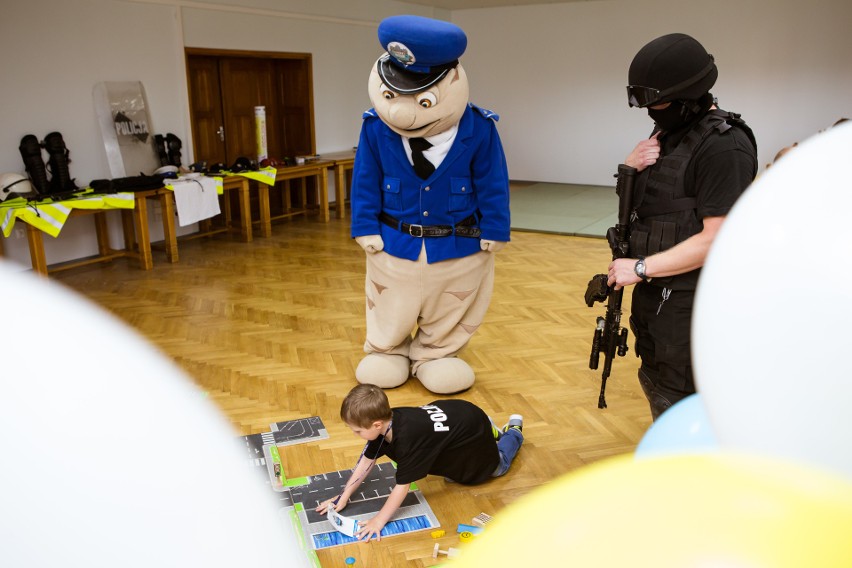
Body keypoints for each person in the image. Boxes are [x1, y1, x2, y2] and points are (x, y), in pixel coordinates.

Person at [350, 15, 511, 394]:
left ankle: (436, 354)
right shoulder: (375, 128)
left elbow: (493, 182)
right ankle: (387, 350)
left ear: (453, 81)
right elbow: (364, 180)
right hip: (394, 242)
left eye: (421, 99)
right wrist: (364, 225)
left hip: (457, 244)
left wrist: (495, 227)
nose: (402, 113)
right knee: (390, 303)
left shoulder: (480, 128)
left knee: (451, 305)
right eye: (392, 96)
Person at [607, 33, 757, 420]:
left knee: (684, 394)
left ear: (688, 97)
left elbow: (717, 239)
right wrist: (630, 168)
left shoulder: (725, 147)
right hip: (659, 293)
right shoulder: (668, 134)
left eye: (657, 102)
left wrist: (640, 268)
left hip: (691, 297)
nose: (651, 112)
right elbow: (652, 207)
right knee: (658, 377)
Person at [315, 384, 523, 541]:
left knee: (496, 467)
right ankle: (487, 427)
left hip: (469, 424)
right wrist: (344, 495)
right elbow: (366, 462)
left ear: (377, 424)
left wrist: (378, 521)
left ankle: (513, 432)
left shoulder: (408, 442)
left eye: (357, 431)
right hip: (458, 415)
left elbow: (401, 487)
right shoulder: (386, 422)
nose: (355, 434)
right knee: (452, 473)